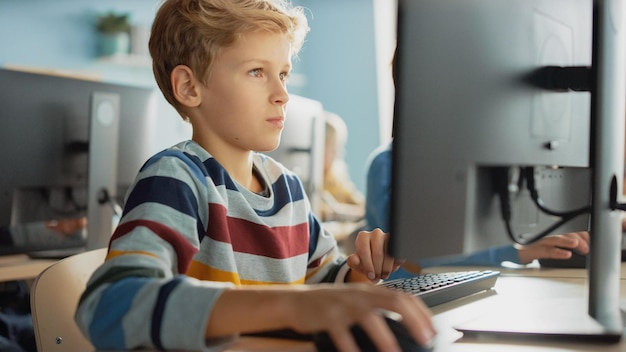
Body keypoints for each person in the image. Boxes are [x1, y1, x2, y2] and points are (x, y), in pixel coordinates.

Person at [74, 1, 436, 351]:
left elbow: (324, 283)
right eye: (256, 72)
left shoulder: (287, 188)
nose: (281, 94)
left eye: (282, 74)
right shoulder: (177, 179)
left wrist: (363, 272)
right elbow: (109, 305)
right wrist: (289, 305)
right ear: (189, 87)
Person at [365, 141, 591, 275]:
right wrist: (511, 247)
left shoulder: (471, 161)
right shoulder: (386, 164)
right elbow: (414, 251)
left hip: (469, 283)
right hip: (411, 295)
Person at [319, 111, 366, 223]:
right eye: (333, 148)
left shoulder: (336, 177)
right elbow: (319, 210)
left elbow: (361, 204)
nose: (337, 153)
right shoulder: (310, 182)